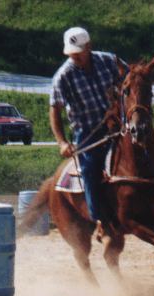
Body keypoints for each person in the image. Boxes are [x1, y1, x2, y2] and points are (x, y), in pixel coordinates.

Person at [49, 27, 128, 234]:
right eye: (71, 54)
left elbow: (133, 81)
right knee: (91, 169)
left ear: (89, 47)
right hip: (88, 132)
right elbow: (54, 109)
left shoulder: (109, 61)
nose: (74, 57)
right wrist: (62, 142)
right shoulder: (63, 77)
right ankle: (99, 218)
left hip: (118, 125)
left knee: (153, 149)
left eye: (77, 52)